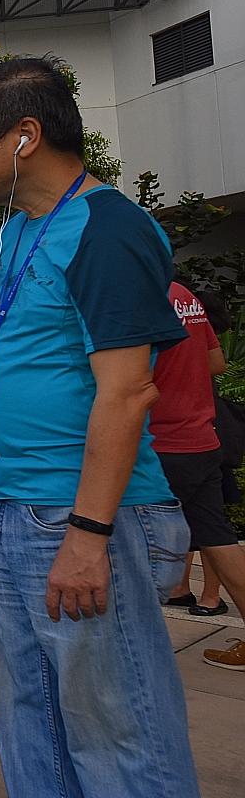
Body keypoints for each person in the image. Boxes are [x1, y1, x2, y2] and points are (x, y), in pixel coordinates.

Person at [0, 55, 200, 798]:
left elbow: (126, 394)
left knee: (118, 732)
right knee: (33, 726)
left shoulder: (108, 226)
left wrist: (88, 537)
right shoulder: (21, 230)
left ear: (24, 136)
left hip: (77, 518)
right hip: (10, 504)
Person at [150, 279, 245, 670]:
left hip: (160, 442)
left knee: (136, 552)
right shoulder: (182, 295)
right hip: (201, 437)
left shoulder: (141, 294)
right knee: (218, 538)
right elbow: (215, 362)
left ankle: (136, 656)